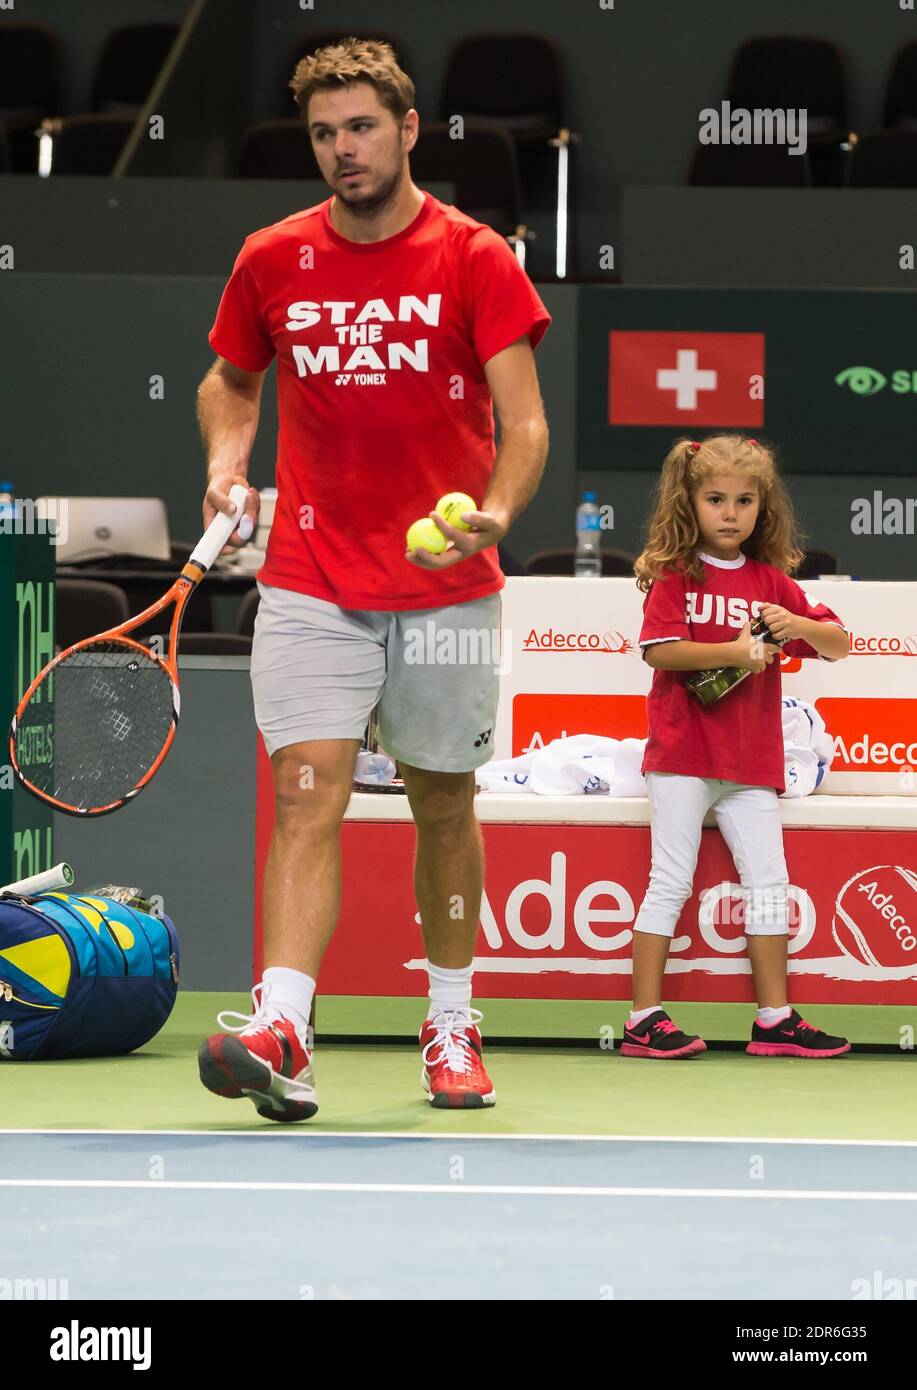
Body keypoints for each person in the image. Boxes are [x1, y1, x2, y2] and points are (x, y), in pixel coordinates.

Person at [194, 38, 551, 1120]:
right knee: (306, 792)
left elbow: (524, 422)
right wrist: (224, 463)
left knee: (443, 800)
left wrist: (491, 513)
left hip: (445, 587)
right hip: (308, 578)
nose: (341, 150)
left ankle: (449, 1020)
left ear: (406, 130)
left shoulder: (474, 255)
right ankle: (286, 1026)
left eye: (359, 127)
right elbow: (228, 382)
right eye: (321, 133)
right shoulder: (272, 257)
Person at [623, 435, 851, 1060]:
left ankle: (774, 1019)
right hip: (682, 757)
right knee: (668, 881)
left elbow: (839, 643)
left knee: (770, 886)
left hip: (751, 764)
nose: (731, 513)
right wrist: (734, 652)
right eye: (716, 499)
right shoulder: (676, 575)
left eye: (745, 500)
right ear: (689, 502)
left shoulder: (773, 582)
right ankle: (643, 1017)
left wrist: (796, 625)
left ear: (762, 507)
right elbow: (660, 653)